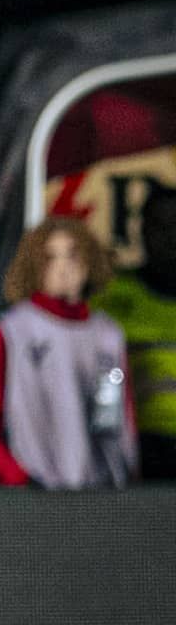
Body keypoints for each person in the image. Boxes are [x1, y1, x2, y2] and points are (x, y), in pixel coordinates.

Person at [0, 219, 137, 490]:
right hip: (32, 493)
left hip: (98, 493)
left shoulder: (107, 336)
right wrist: (16, 477)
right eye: (50, 257)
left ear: (89, 261)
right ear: (34, 265)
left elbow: (113, 418)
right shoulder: (9, 334)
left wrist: (122, 472)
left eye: (72, 254)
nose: (62, 266)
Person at [95, 187, 176, 482]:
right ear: (140, 229)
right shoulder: (109, 297)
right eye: (161, 226)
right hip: (132, 447)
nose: (170, 237)